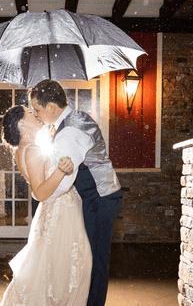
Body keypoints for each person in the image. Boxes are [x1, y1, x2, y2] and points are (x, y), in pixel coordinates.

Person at [29, 79, 123, 306]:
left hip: (100, 198)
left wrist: (39, 197)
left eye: (37, 109)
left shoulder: (71, 130)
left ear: (52, 107)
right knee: (86, 258)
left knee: (95, 261)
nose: (35, 114)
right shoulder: (69, 122)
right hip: (93, 197)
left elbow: (63, 180)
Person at [0, 105, 92, 306]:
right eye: (30, 113)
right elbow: (40, 193)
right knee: (71, 269)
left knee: (56, 270)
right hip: (59, 213)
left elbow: (40, 173)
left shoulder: (25, 149)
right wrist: (60, 170)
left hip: (56, 212)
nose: (35, 114)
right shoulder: (31, 150)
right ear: (21, 124)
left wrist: (49, 141)